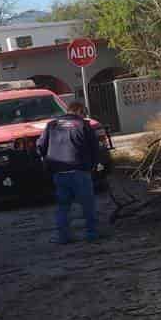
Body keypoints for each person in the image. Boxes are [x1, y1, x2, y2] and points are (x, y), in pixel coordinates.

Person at [38, 97, 102, 243]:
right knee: (88, 205)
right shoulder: (83, 125)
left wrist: (47, 160)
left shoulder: (52, 125)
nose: (84, 116)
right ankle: (91, 234)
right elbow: (94, 149)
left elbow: (40, 146)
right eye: (83, 113)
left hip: (59, 172)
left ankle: (63, 236)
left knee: (63, 206)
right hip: (80, 171)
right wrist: (93, 166)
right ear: (79, 111)